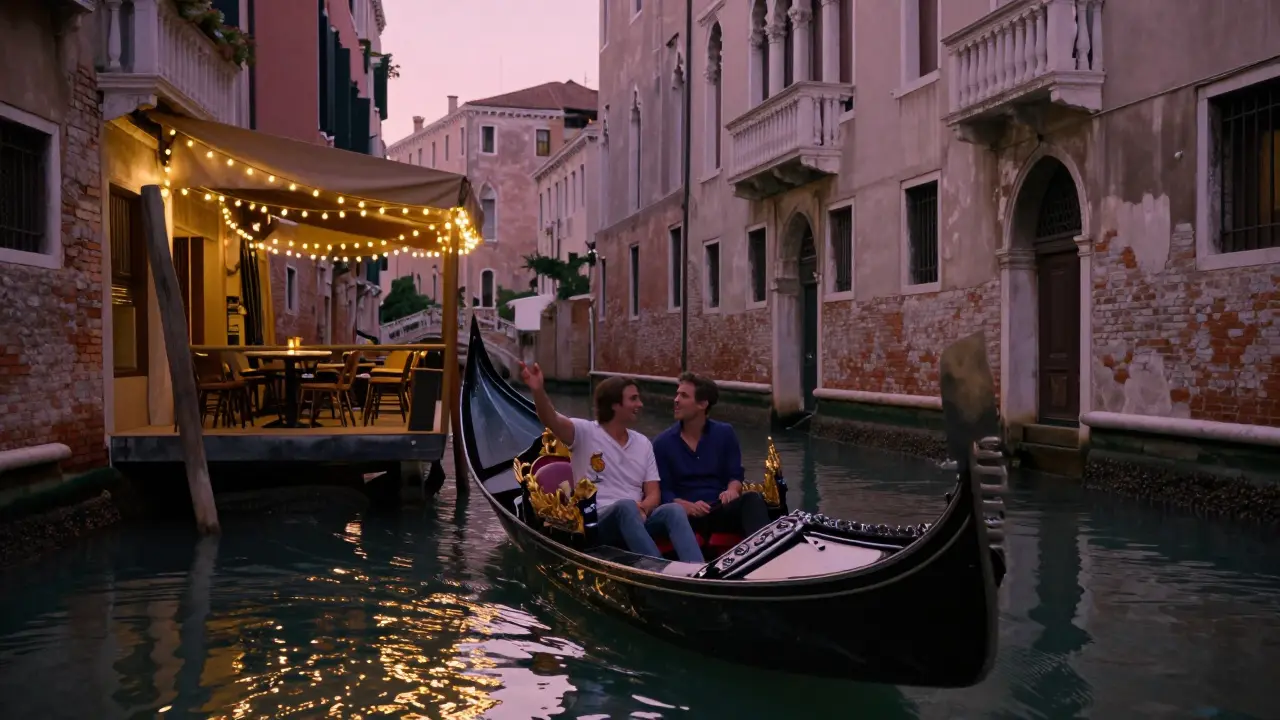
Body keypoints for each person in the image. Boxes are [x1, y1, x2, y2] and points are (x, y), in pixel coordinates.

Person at [519, 361, 704, 563]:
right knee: (625, 507)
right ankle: (655, 568)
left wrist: (642, 508)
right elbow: (551, 419)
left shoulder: (643, 443)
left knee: (674, 510)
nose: (640, 405)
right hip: (597, 522)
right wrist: (538, 390)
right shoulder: (584, 432)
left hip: (637, 517)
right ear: (615, 404)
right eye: (633, 399)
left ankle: (697, 568)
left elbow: (654, 494)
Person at [653, 372, 771, 539]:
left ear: (702, 404)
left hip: (718, 508)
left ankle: (766, 548)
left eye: (684, 396)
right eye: (677, 394)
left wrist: (732, 490)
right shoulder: (662, 443)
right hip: (684, 516)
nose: (676, 400)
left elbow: (735, 475)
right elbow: (663, 491)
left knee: (753, 499)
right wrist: (685, 506)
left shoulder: (725, 433)